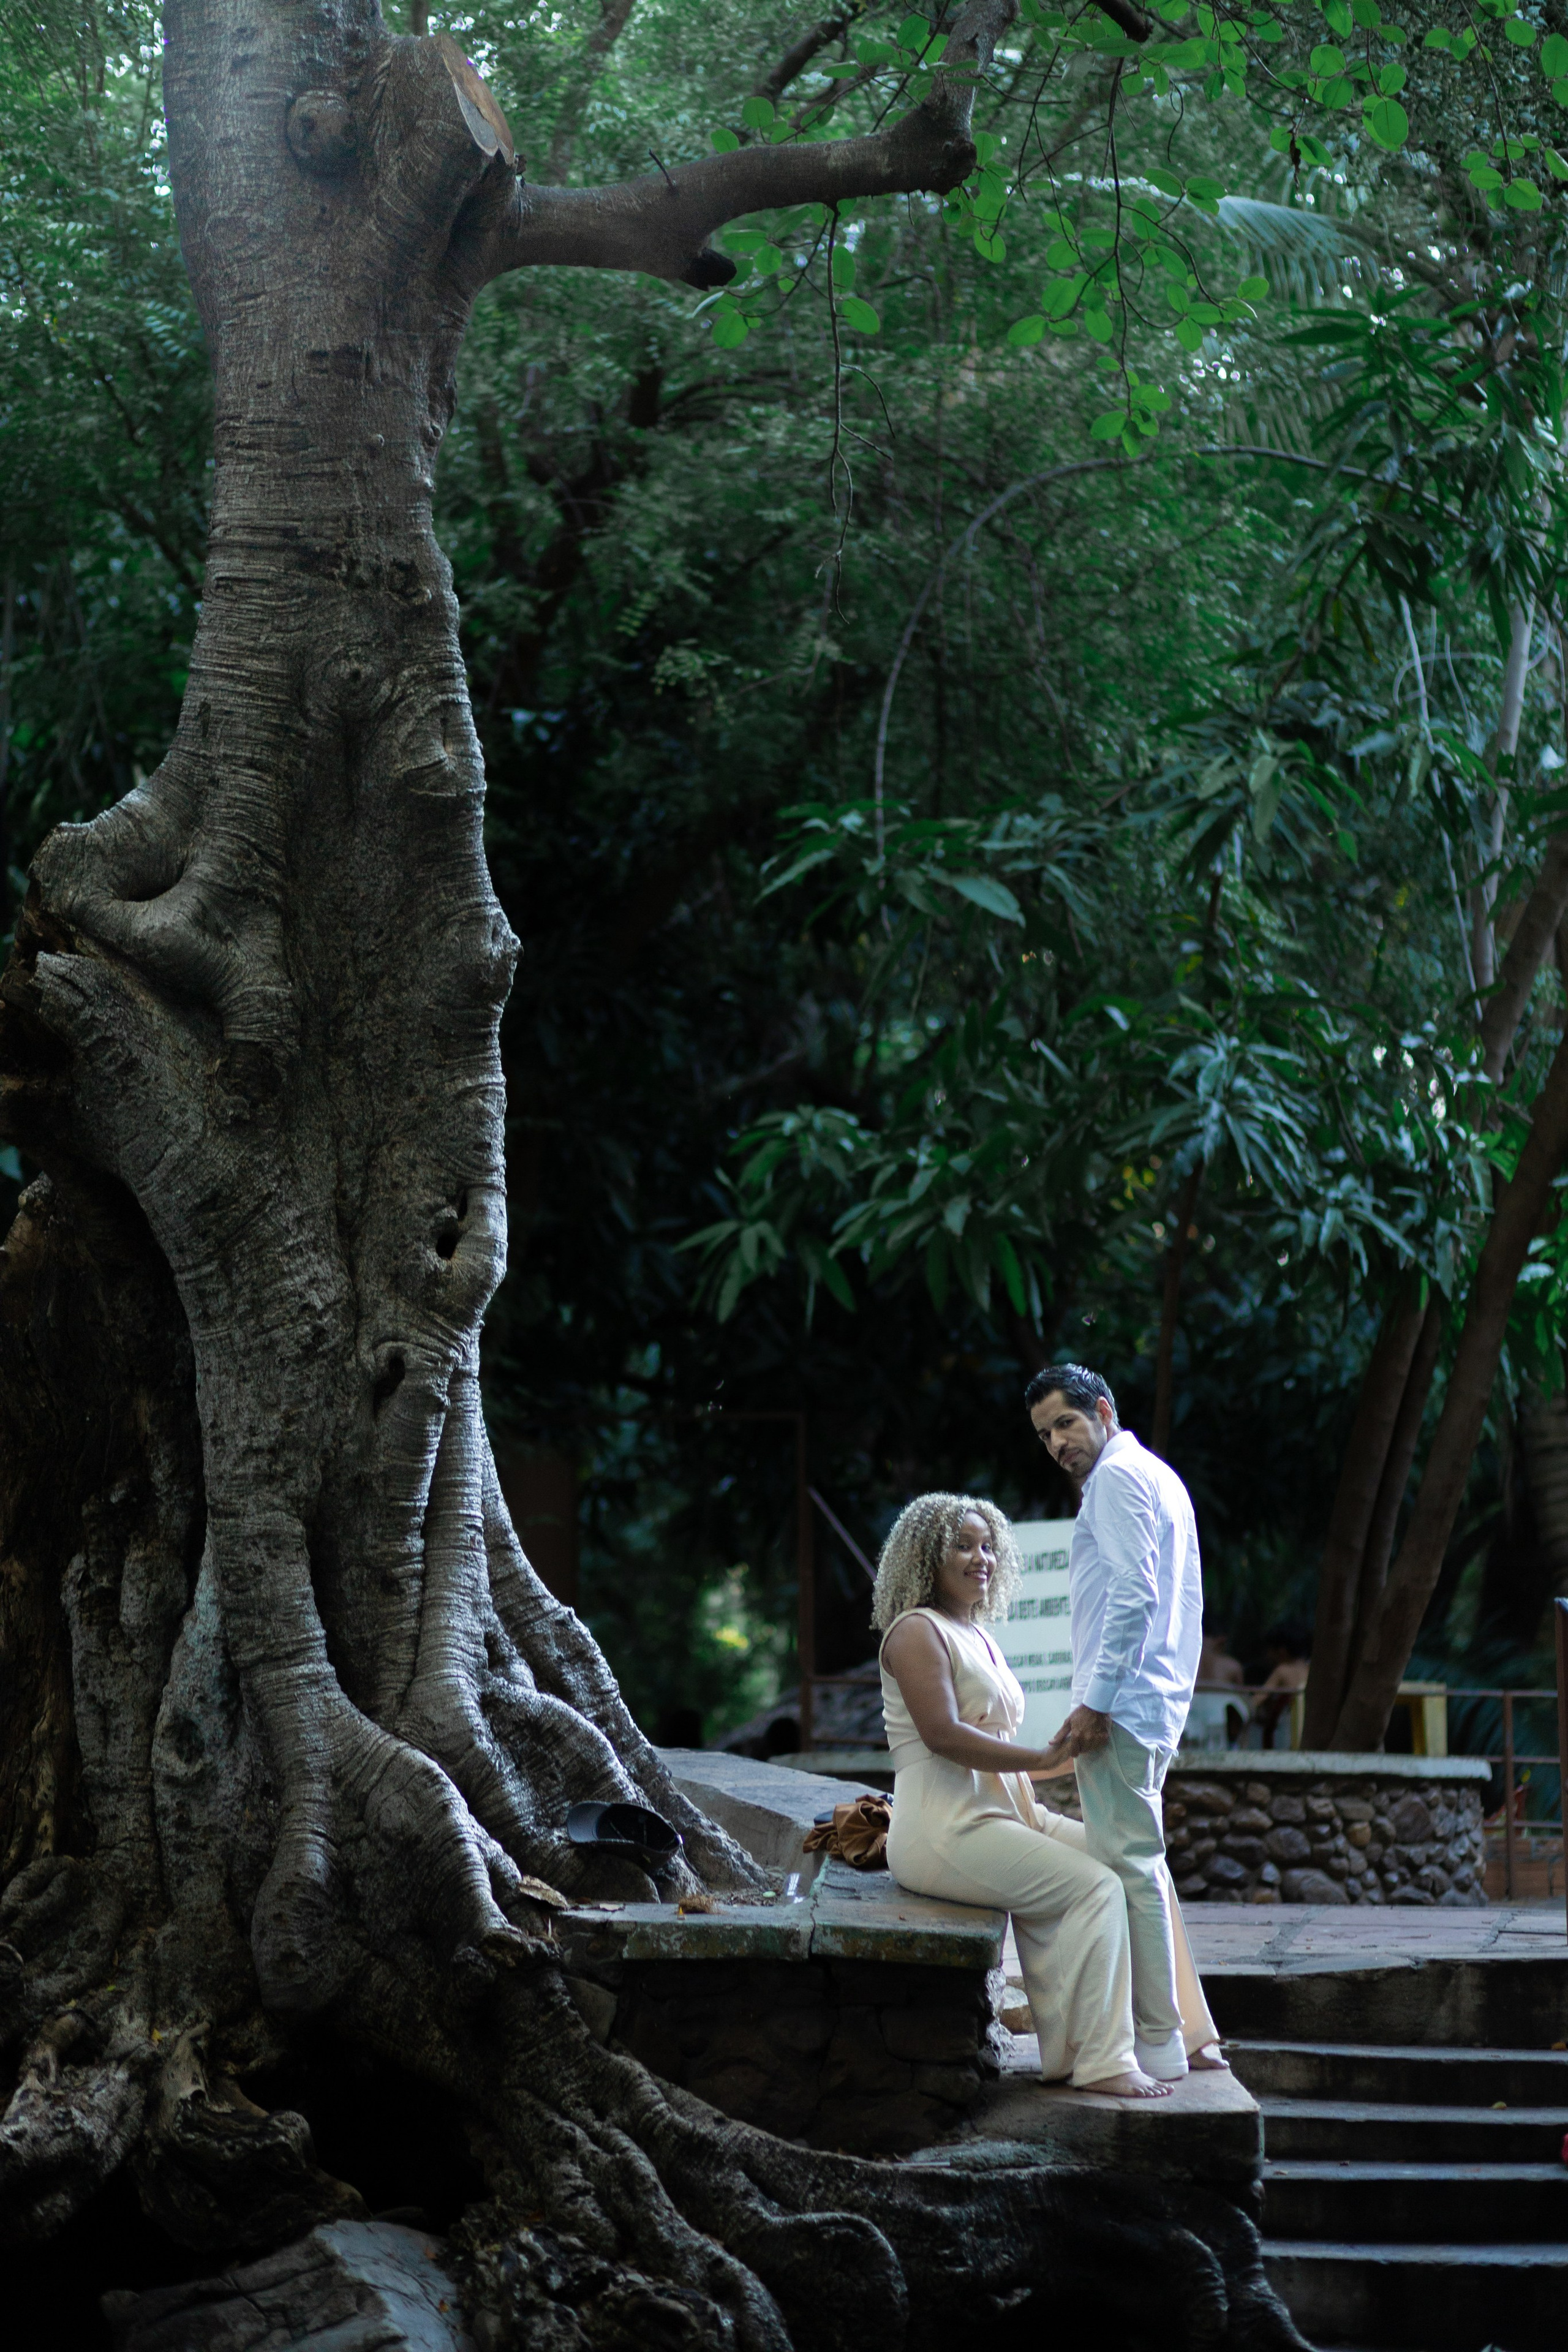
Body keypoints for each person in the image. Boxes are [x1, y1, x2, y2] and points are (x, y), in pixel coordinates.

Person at [875, 1491, 1172, 2100]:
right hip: (944, 1830)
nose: (980, 1557)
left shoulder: (974, 1631)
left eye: (988, 1546)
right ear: (926, 1555)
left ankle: (1090, 2046)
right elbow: (944, 1737)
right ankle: (1103, 2060)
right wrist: (1045, 1757)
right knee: (1094, 1887)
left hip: (1005, 1813)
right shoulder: (914, 1632)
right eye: (962, 1545)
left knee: (1119, 1859)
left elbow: (999, 1751)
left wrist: (1066, 1758)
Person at [1027, 1365, 1225, 2081]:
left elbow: (1137, 1595)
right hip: (1151, 1701)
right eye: (1045, 1434)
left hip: (1124, 1709)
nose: (1056, 1443)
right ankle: (1186, 2033)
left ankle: (1158, 2041)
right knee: (1144, 1867)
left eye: (1065, 1424)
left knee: (1131, 1871)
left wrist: (1097, 1701)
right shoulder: (1156, 1475)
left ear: (1102, 1411)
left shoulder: (1117, 1479)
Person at [1251, 1621, 1311, 1749]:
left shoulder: (1282, 1671)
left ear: (1282, 1651)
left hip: (1289, 1731)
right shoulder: (1312, 1670)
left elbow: (1257, 1700)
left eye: (1270, 1650)